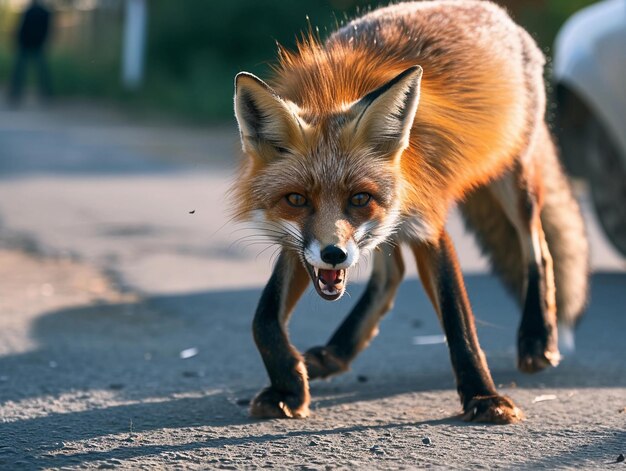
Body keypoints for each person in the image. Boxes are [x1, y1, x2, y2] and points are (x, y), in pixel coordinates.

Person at [7, 0, 53, 107]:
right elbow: (47, 30)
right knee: (41, 71)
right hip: (37, 44)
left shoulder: (28, 11)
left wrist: (18, 42)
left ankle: (15, 94)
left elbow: (21, 28)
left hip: (26, 44)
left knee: (20, 71)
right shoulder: (45, 12)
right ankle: (47, 94)